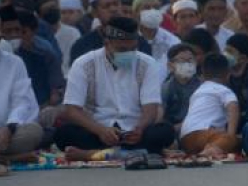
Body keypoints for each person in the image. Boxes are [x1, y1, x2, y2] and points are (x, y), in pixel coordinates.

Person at [55, 17, 174, 159]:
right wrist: (100, 130)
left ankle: (94, 154)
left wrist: (140, 129)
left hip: (134, 132)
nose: (128, 54)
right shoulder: (84, 64)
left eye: (133, 49)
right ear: (107, 44)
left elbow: (151, 106)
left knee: (165, 132)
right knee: (64, 134)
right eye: (122, 49)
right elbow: (72, 110)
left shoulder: (147, 64)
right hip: (97, 130)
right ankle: (138, 153)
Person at [0, 9, 42, 175]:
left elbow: (22, 101)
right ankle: (7, 158)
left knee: (34, 131)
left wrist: (9, 129)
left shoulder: (14, 63)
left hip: (4, 135)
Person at [179, 54, 240, 159]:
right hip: (205, 134)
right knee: (234, 140)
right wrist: (231, 135)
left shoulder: (197, 92)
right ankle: (210, 150)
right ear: (228, 74)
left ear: (202, 73)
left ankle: (202, 151)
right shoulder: (223, 90)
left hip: (185, 139)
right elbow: (233, 107)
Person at [70, 0, 151, 64]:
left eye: (116, 4)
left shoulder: (139, 42)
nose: (113, 9)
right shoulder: (83, 45)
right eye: (106, 6)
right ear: (95, 13)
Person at [3, 7, 65, 107]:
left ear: (34, 31)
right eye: (8, 31)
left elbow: (56, 87)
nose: (14, 35)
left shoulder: (45, 53)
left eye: (22, 32)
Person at [134, 0, 179, 79]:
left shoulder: (172, 41)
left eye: (156, 8)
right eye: (147, 7)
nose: (152, 11)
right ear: (136, 13)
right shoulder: (128, 40)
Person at [161, 43, 202, 131]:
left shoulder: (202, 85)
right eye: (182, 61)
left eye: (190, 60)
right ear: (170, 65)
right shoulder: (166, 87)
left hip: (198, 127)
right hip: (172, 129)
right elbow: (160, 116)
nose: (187, 64)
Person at [224, 33, 248, 117]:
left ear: (243, 58)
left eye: (230, 52)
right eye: (225, 50)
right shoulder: (223, 74)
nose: (225, 54)